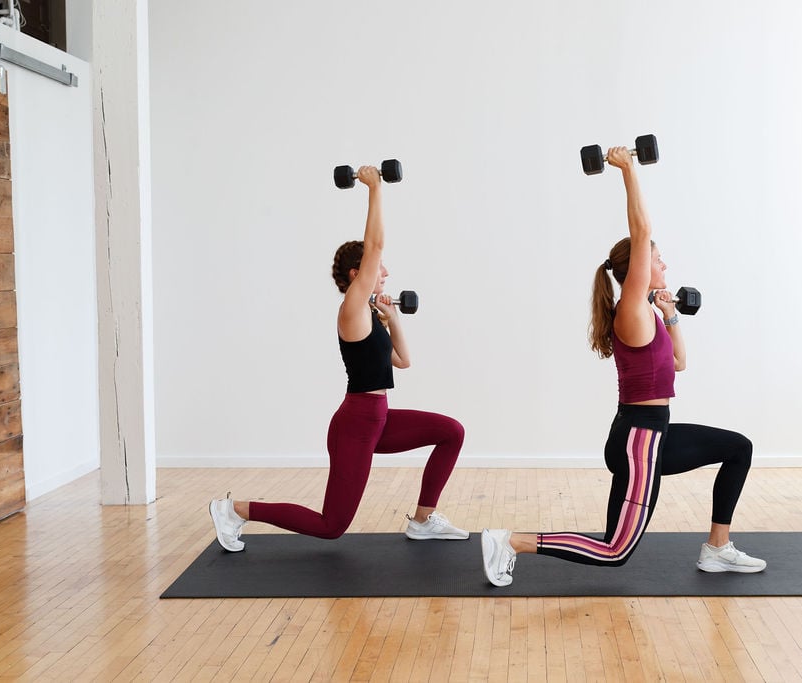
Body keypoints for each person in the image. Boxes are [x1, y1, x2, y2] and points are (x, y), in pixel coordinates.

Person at [480, 147, 765, 586]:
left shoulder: (647, 313)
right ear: (636, 268)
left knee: (738, 448)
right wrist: (628, 170)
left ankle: (717, 548)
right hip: (639, 442)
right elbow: (642, 228)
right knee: (615, 553)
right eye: (657, 258)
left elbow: (679, 363)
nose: (664, 263)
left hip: (652, 433)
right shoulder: (630, 310)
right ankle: (512, 542)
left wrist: (670, 315)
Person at [209, 165, 468, 551]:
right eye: (376, 269)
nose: (385, 271)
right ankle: (234, 510)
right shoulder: (351, 309)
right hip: (356, 424)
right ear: (357, 272)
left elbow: (403, 361)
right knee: (331, 526)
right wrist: (374, 187)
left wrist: (393, 318)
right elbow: (376, 247)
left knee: (451, 431)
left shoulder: (370, 316)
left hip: (378, 419)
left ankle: (423, 520)